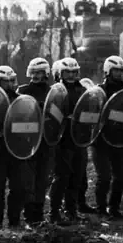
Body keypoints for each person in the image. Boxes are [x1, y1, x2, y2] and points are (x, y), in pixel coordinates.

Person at [0, 66, 30, 228]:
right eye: (6, 81)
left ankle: (14, 222)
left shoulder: (22, 101)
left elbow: (28, 123)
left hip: (17, 151)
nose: (10, 84)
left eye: (12, 81)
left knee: (18, 189)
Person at [48, 57, 86, 223]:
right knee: (61, 177)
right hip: (62, 141)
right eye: (67, 72)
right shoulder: (55, 91)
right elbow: (52, 115)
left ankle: (71, 210)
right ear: (59, 73)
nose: (71, 75)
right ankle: (54, 213)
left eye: (73, 72)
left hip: (79, 140)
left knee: (77, 177)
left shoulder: (83, 90)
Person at [93, 56, 123, 218]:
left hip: (119, 140)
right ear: (108, 71)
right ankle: (101, 208)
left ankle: (114, 208)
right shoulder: (99, 91)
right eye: (116, 70)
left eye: (121, 70)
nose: (119, 73)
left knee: (122, 178)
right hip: (101, 141)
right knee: (104, 177)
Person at [17, 58, 52, 225]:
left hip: (46, 141)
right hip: (28, 141)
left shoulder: (52, 92)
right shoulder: (22, 91)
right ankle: (29, 214)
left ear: (46, 73)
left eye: (40, 72)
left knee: (43, 179)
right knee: (28, 180)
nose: (37, 75)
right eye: (34, 72)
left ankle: (39, 214)